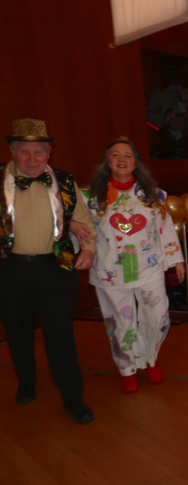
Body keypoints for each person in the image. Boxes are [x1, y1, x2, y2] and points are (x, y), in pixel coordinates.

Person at [0, 118, 96, 424]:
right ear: (13, 152)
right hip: (10, 270)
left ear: (49, 152)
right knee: (17, 333)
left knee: (60, 336)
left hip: (55, 268)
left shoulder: (65, 182)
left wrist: (88, 249)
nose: (32, 159)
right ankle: (27, 383)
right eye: (24, 152)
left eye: (38, 152)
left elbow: (84, 221)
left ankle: (72, 398)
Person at [76, 138, 186, 392]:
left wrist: (176, 260)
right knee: (119, 322)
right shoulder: (89, 196)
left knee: (158, 315)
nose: (122, 159)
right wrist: (84, 248)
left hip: (149, 268)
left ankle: (150, 359)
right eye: (115, 154)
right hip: (109, 271)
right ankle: (127, 369)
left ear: (136, 162)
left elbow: (165, 226)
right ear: (107, 161)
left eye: (127, 155)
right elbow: (82, 227)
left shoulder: (153, 195)